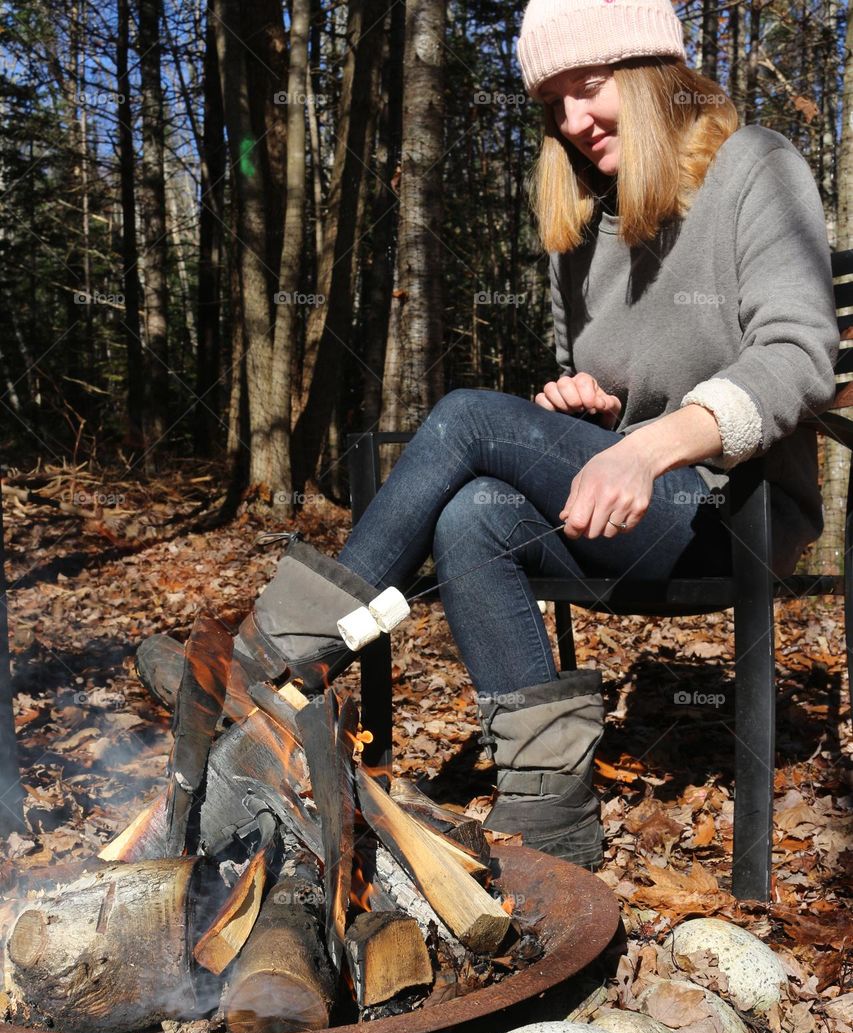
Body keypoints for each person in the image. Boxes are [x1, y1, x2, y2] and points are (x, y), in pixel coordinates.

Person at [137, 0, 840, 870]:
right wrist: (588, 409)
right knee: (471, 512)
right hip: (641, 505)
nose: (573, 123)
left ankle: (276, 664)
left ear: (656, 75)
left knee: (466, 412)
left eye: (589, 90)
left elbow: (798, 355)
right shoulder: (583, 221)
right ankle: (550, 808)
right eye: (552, 106)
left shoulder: (755, 168)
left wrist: (644, 445)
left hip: (739, 512)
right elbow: (623, 396)